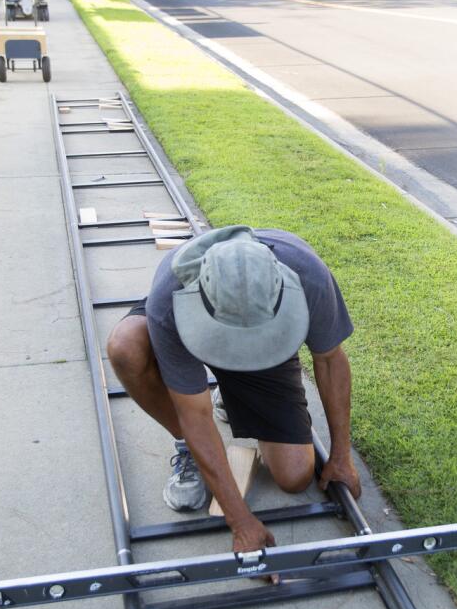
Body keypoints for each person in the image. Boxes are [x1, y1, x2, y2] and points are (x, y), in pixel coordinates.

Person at [107, 226, 361, 554]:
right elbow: (194, 414)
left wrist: (342, 456)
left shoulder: (309, 276)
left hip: (265, 349)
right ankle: (188, 449)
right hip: (193, 333)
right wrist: (240, 520)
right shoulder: (171, 298)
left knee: (295, 475)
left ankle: (233, 396)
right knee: (125, 346)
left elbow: (330, 362)